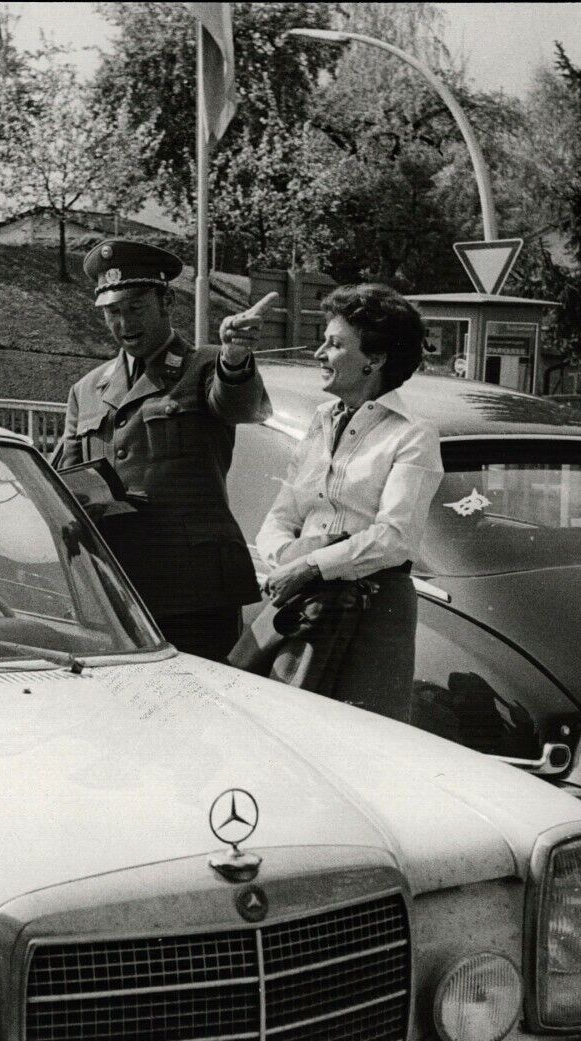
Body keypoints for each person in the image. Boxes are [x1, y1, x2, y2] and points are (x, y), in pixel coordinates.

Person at [50, 238, 273, 663]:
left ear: (166, 301)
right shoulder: (87, 389)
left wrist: (237, 357)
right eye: (112, 312)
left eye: (135, 307)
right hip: (116, 591)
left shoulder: (205, 365)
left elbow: (241, 406)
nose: (123, 322)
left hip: (194, 591)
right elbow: (69, 482)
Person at [246, 283, 442, 722]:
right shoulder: (320, 420)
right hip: (304, 600)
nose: (319, 353)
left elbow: (395, 539)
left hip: (373, 612)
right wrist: (289, 559)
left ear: (375, 360)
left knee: (360, 740)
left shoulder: (412, 435)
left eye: (334, 344)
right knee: (287, 729)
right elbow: (280, 516)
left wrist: (310, 564)